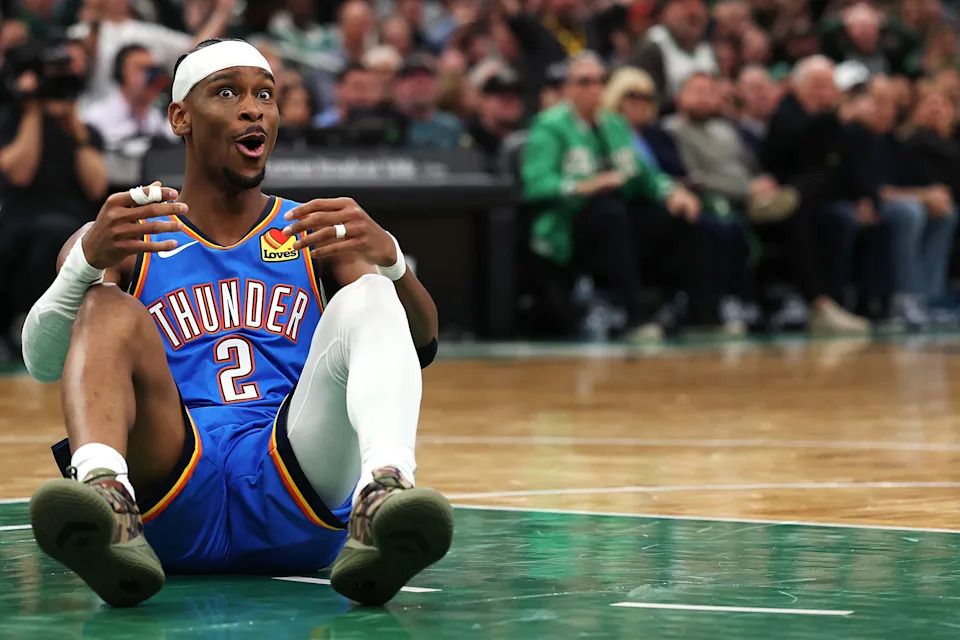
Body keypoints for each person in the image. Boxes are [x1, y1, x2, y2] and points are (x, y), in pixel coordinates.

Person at [22, 38, 453, 609]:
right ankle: (106, 496)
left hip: (293, 474)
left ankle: (383, 494)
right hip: (171, 480)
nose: (254, 109)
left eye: (265, 95)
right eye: (228, 92)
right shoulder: (127, 232)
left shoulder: (310, 229)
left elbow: (421, 342)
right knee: (105, 307)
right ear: (181, 117)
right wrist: (85, 262)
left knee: (372, 293)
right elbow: (41, 360)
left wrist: (392, 260)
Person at [522, 51, 703, 340]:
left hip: (619, 216)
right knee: (610, 214)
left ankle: (695, 314)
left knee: (679, 215)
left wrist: (673, 193)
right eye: (585, 82)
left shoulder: (615, 124)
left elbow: (646, 175)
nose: (595, 88)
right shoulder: (549, 126)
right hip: (569, 222)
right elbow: (536, 184)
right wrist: (584, 185)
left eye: (600, 81)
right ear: (567, 88)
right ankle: (634, 318)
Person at [81, 44, 180, 149]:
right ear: (122, 73)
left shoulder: (155, 119)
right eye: (142, 69)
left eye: (153, 70)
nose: (151, 76)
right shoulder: (95, 119)